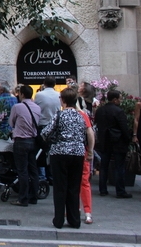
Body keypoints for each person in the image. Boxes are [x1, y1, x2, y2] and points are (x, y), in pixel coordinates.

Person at [42, 88, 86, 229]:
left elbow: (46, 132)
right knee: (74, 187)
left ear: (64, 100)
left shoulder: (60, 115)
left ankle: (59, 220)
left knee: (60, 187)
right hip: (78, 153)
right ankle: (74, 220)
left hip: (60, 153)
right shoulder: (82, 115)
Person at [96, 89, 132, 198]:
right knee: (119, 166)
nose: (120, 100)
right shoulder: (119, 111)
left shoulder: (100, 110)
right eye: (120, 98)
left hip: (104, 141)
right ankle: (120, 191)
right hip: (118, 141)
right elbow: (124, 127)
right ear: (115, 99)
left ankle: (103, 189)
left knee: (104, 166)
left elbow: (97, 124)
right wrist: (128, 139)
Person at [8, 85, 41, 206]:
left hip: (21, 140)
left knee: (22, 171)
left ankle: (23, 198)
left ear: (21, 94)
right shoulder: (37, 108)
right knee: (33, 170)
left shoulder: (17, 107)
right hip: (33, 141)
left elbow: (11, 123)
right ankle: (34, 196)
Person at [35, 76, 60, 182]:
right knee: (52, 151)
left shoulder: (39, 95)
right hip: (55, 125)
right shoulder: (59, 95)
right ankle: (52, 176)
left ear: (44, 83)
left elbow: (36, 108)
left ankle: (42, 176)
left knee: (41, 152)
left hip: (43, 124)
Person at [77, 96, 96, 224]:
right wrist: (90, 150)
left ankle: (75, 209)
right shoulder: (83, 115)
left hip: (69, 153)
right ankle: (88, 213)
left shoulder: (62, 114)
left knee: (72, 182)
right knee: (84, 182)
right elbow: (90, 133)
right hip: (82, 151)